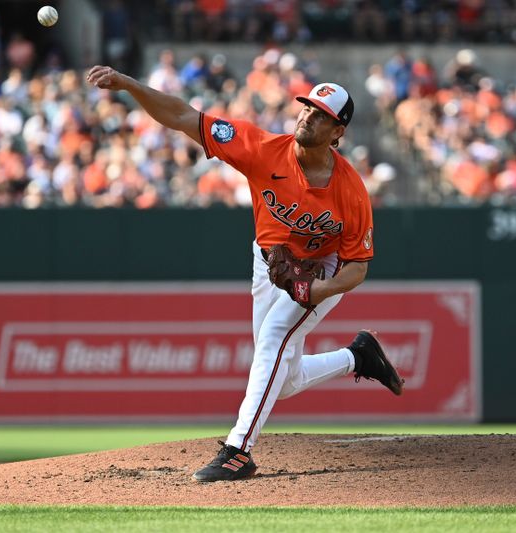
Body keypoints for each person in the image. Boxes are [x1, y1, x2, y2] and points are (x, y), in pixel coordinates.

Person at [86, 64, 405, 481]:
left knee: (274, 338)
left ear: (338, 131)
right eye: (307, 108)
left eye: (322, 115)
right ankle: (358, 357)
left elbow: (358, 268)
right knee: (280, 376)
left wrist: (319, 289)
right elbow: (184, 117)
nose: (309, 117)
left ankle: (238, 449)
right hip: (269, 261)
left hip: (325, 267)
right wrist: (128, 84)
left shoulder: (351, 190)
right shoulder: (261, 147)